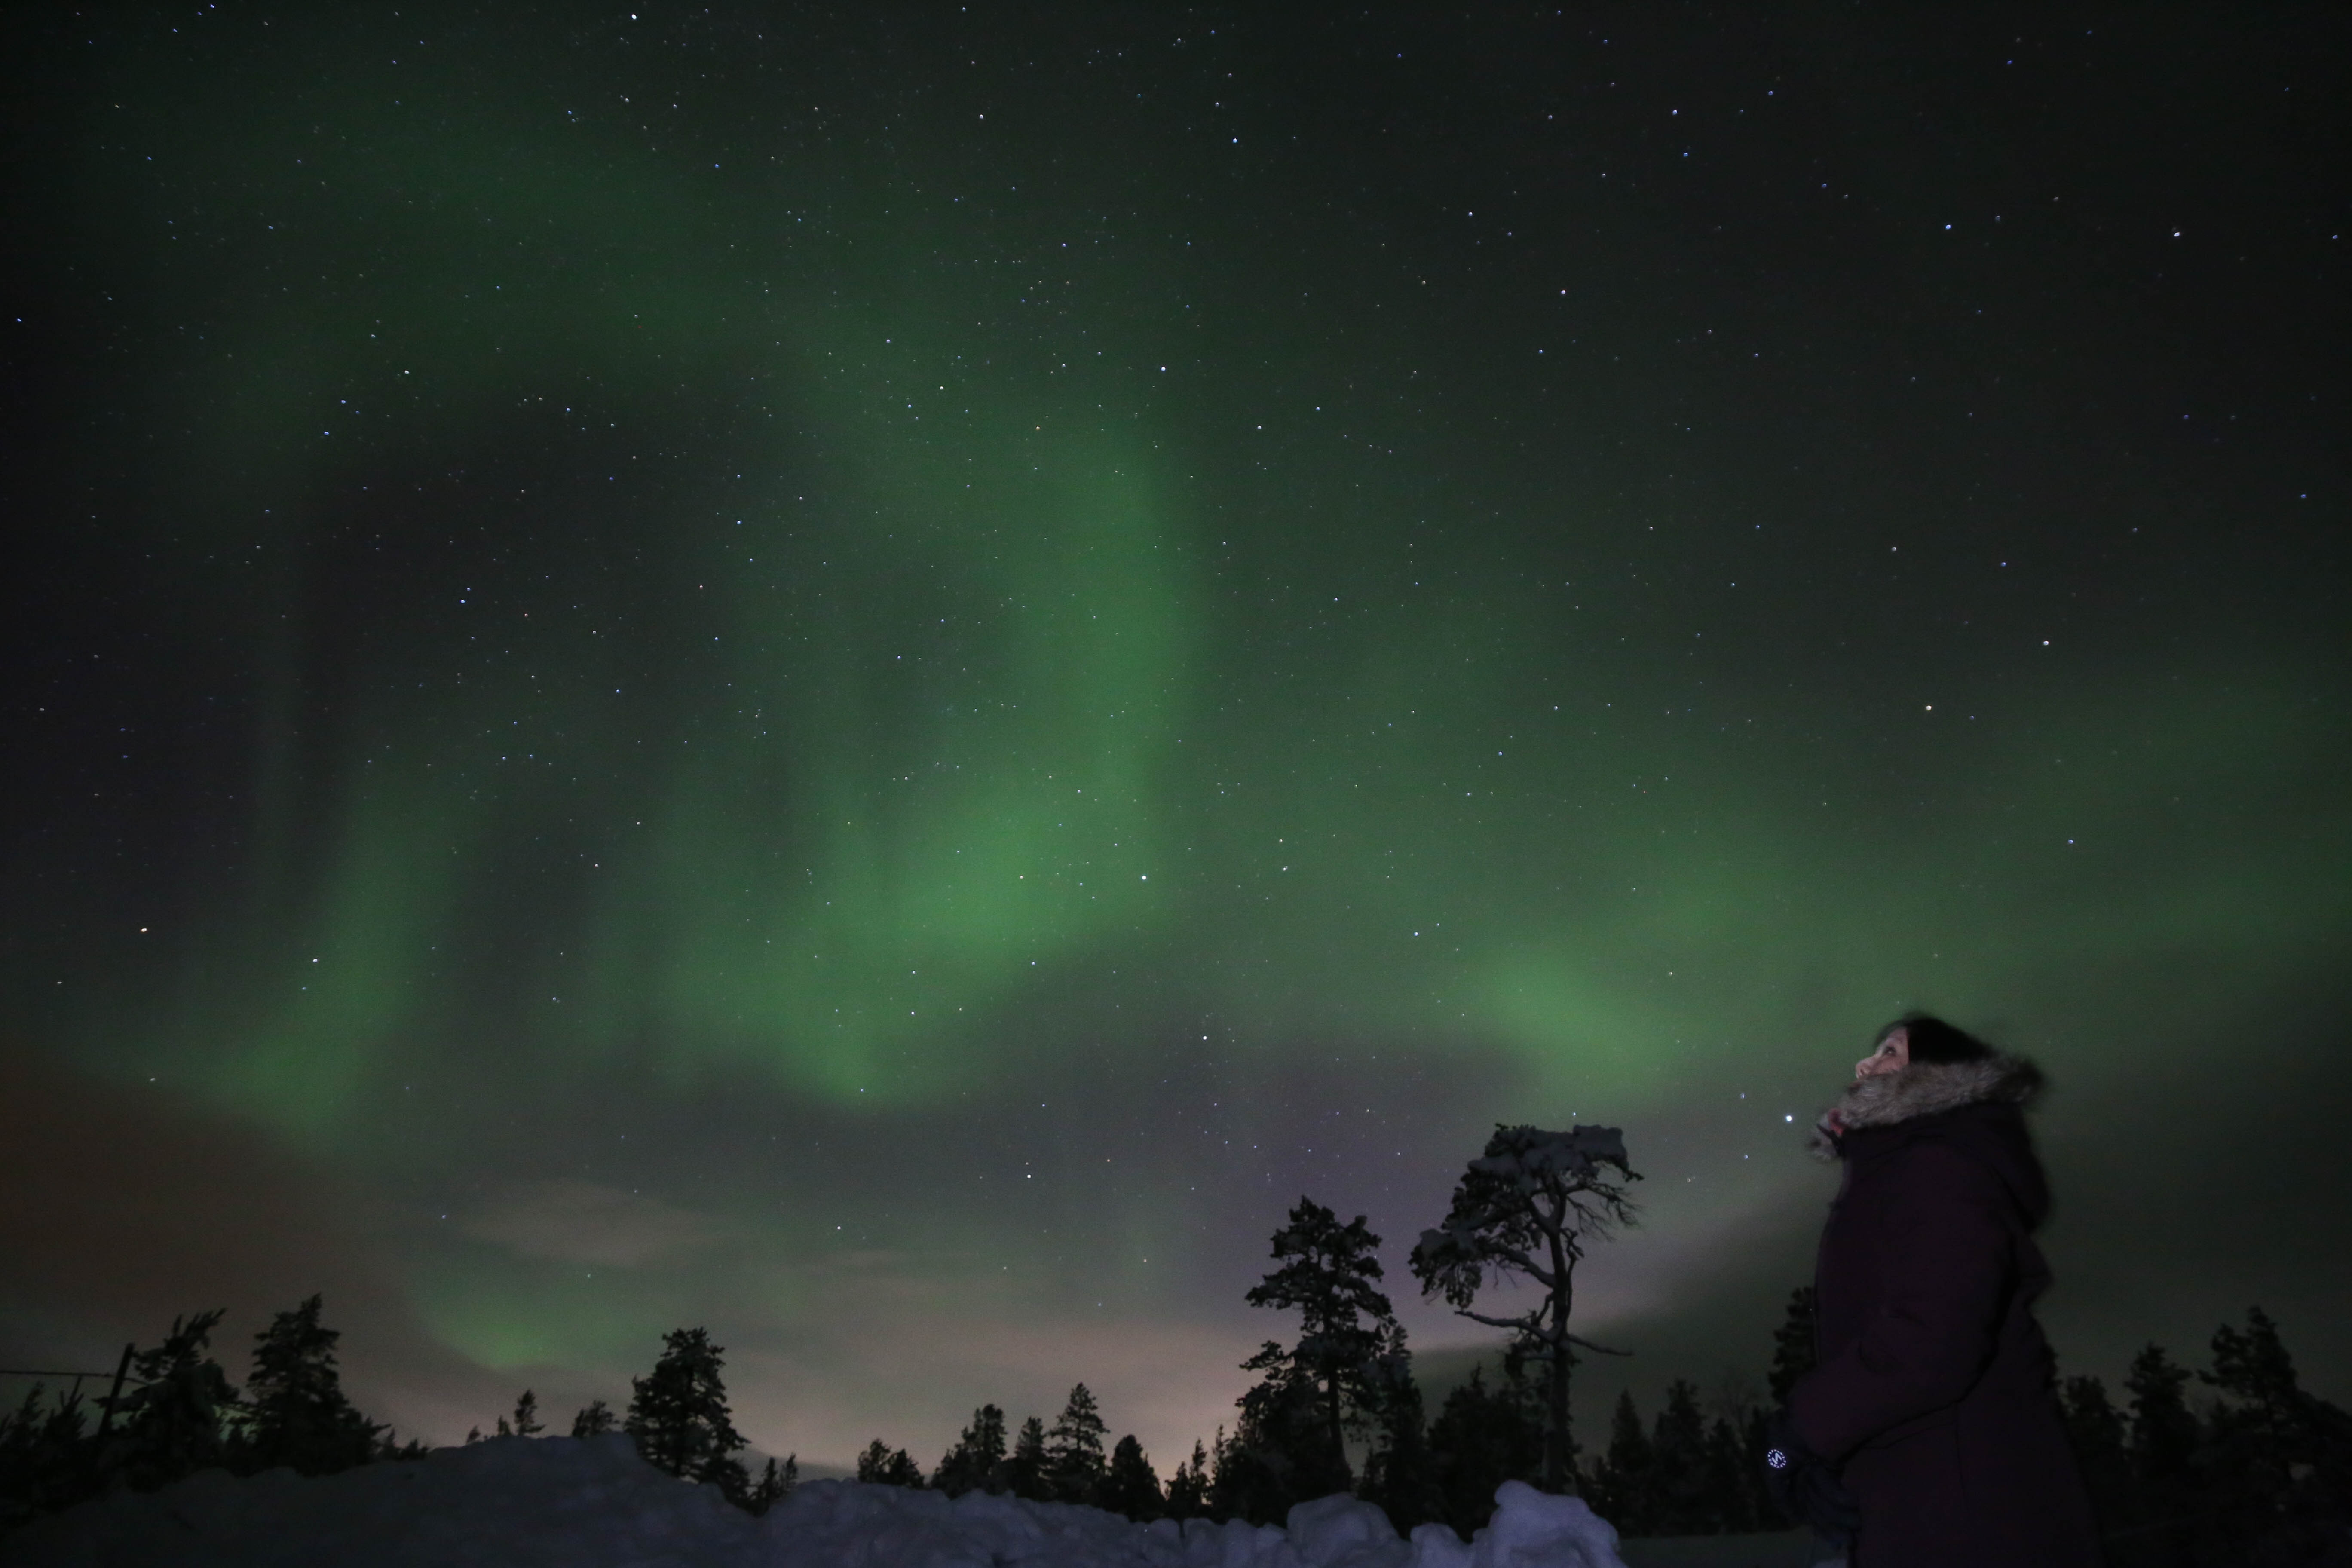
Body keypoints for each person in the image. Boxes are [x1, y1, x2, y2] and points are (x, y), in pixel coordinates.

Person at [1766, 1014, 2100, 1565]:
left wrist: (1798, 1435)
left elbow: (1935, 1338)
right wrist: (1806, 1456)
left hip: (1969, 1518)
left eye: (1892, 1051)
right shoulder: (1898, 1172)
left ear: (1935, 1074)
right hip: (1927, 1505)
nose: (1864, 1064)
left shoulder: (1938, 1165)